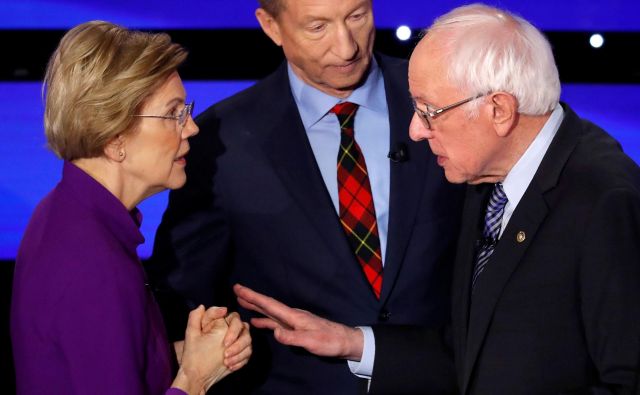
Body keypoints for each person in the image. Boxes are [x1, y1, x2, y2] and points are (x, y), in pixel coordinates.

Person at [236, 3, 640, 394]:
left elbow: (627, 379)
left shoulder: (605, 200)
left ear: (498, 110)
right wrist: (351, 342)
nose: (415, 130)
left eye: (429, 111)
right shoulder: (488, 183)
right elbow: (474, 355)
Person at [147, 0, 464, 393]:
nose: (346, 47)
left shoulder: (449, 101)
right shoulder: (220, 141)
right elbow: (182, 295)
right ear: (271, 26)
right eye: (317, 27)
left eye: (357, 17)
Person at [10, 21, 252, 395]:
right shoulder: (93, 263)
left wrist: (190, 354)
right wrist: (195, 379)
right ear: (115, 138)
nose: (191, 129)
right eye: (174, 113)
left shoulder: (67, 214)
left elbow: (101, 366)